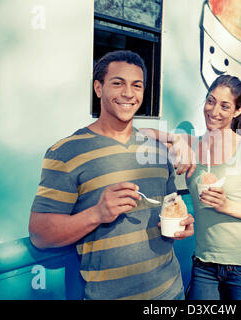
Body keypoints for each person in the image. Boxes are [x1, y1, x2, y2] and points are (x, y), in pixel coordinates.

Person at [28, 50, 194, 300]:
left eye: (136, 85)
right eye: (118, 83)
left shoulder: (158, 151)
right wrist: (97, 213)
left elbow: (171, 208)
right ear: (98, 88)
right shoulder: (66, 152)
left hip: (171, 292)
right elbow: (39, 234)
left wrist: (182, 223)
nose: (128, 93)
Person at [144, 74, 241, 300]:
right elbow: (140, 135)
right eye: (210, 101)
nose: (214, 111)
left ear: (237, 111)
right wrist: (175, 139)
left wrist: (226, 205)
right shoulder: (192, 144)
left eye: (225, 106)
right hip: (205, 265)